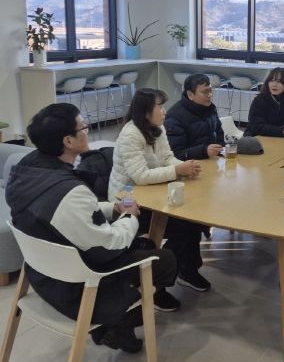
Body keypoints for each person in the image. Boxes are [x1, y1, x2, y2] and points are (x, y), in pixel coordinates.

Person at [6, 103, 177, 353]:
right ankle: (114, 325)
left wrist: (112, 209)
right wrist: (129, 217)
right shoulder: (68, 192)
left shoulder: (28, 168)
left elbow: (71, 213)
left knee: (145, 245)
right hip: (76, 287)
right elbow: (108, 246)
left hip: (41, 273)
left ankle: (119, 330)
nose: (87, 132)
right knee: (164, 259)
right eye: (83, 127)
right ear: (68, 141)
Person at [108, 88, 208, 309]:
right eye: (160, 107)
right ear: (145, 112)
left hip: (152, 190)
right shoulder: (131, 134)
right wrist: (177, 171)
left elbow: (167, 157)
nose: (164, 111)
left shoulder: (158, 128)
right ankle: (155, 286)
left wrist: (184, 166)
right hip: (126, 197)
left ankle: (187, 270)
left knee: (192, 221)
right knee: (180, 228)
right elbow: (140, 176)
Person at [164, 73, 225, 159]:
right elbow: (176, 154)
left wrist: (221, 148)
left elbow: (219, 133)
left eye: (210, 90)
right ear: (190, 95)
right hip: (190, 164)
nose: (210, 95)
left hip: (212, 158)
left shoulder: (210, 108)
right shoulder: (174, 118)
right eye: (205, 92)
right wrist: (204, 151)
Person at [244, 67, 284, 137]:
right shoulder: (259, 100)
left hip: (278, 136)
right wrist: (282, 131)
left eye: (279, 82)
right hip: (255, 137)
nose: (274, 85)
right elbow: (256, 126)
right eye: (271, 81)